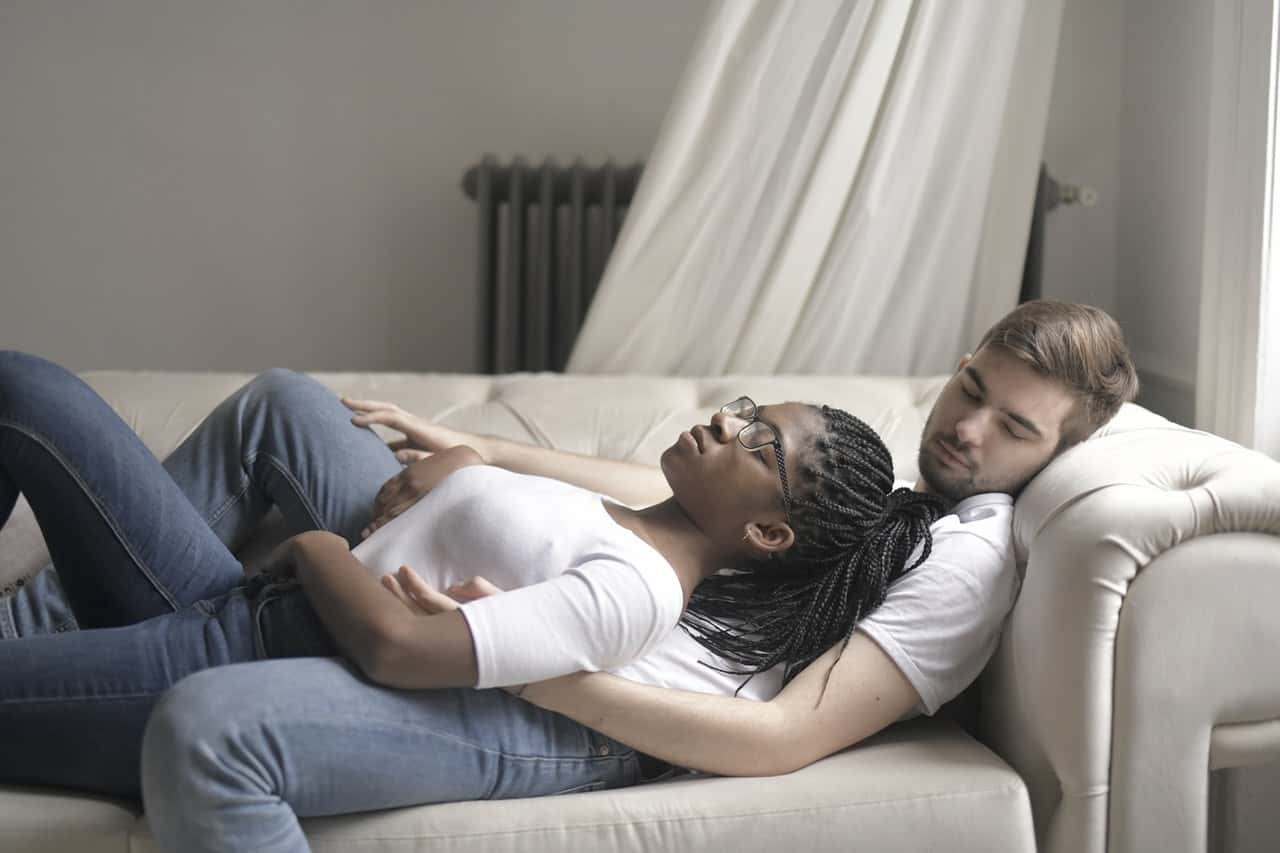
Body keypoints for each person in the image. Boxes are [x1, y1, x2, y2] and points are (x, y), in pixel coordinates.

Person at [0, 300, 1139, 852]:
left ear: (1058, 450)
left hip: (567, 682)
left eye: (1014, 428)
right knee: (287, 408)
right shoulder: (875, 491)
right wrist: (482, 456)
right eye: (970, 389)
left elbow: (788, 734)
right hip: (523, 594)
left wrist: (546, 674)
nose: (968, 431)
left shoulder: (969, 550)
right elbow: (685, 504)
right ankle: (41, 643)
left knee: (215, 712)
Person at [0, 356, 942, 806]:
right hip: (240, 606)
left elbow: (398, 646)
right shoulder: (627, 516)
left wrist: (310, 550)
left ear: (770, 530)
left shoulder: (640, 589)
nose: (727, 426)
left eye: (758, 441)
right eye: (743, 411)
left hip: (262, 637)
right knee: (28, 393)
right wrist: (468, 464)